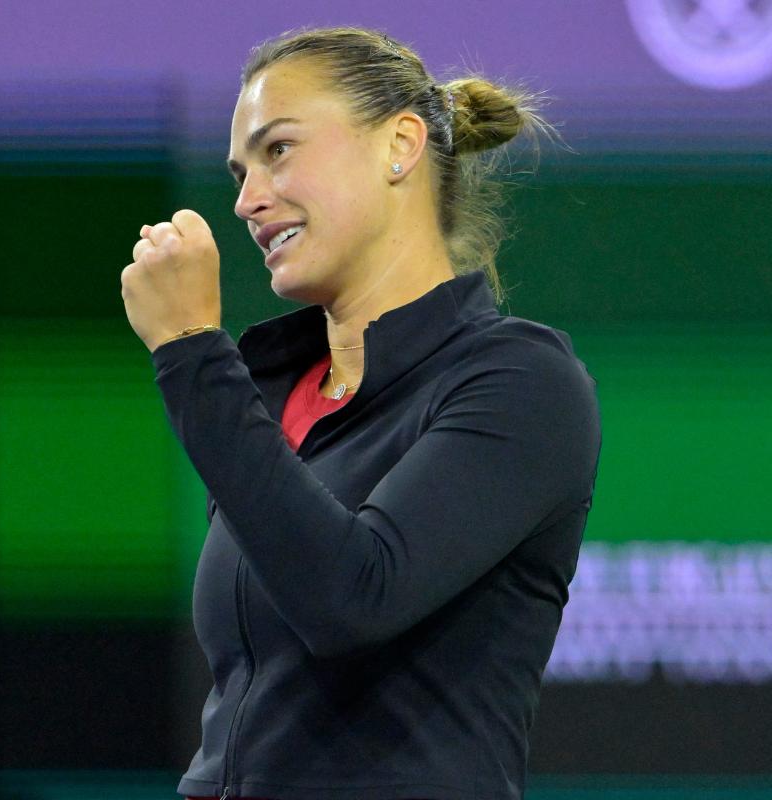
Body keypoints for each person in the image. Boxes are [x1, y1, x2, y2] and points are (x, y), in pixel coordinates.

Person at [119, 26, 601, 800]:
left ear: (400, 146)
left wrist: (188, 348)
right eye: (241, 172)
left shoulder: (520, 382)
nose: (247, 200)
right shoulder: (272, 391)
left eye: (279, 150)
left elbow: (351, 598)